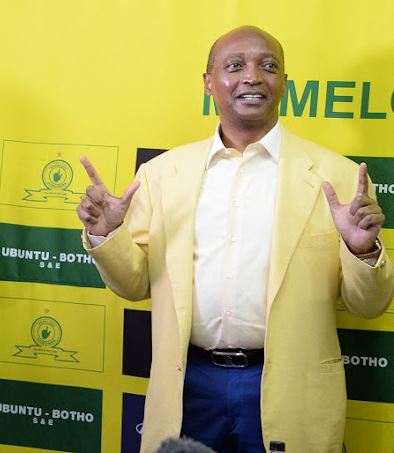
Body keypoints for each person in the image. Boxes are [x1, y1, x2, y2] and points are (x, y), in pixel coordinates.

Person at [77, 26, 394, 452]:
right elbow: (133, 286)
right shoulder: (161, 175)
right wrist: (107, 233)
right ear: (208, 84)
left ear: (284, 84)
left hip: (290, 384)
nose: (253, 77)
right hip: (190, 383)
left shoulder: (337, 177)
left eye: (269, 66)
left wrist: (361, 248)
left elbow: (369, 305)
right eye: (234, 66)